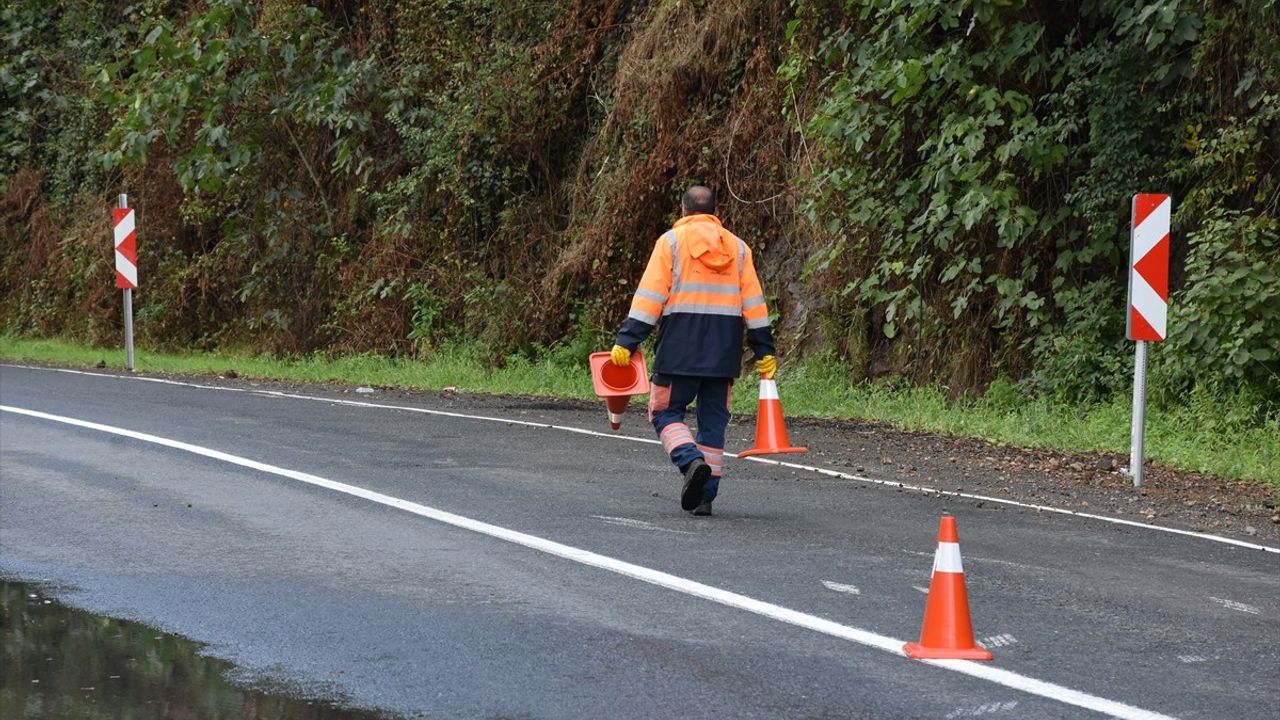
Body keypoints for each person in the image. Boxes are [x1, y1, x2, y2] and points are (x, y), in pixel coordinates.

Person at [609, 185, 777, 516]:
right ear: (715, 213)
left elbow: (650, 298)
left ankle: (690, 460)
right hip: (723, 356)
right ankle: (704, 497)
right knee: (713, 422)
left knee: (663, 412)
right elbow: (755, 306)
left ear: (683, 210)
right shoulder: (739, 249)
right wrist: (764, 350)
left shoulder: (671, 243)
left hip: (678, 352)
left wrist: (627, 341)